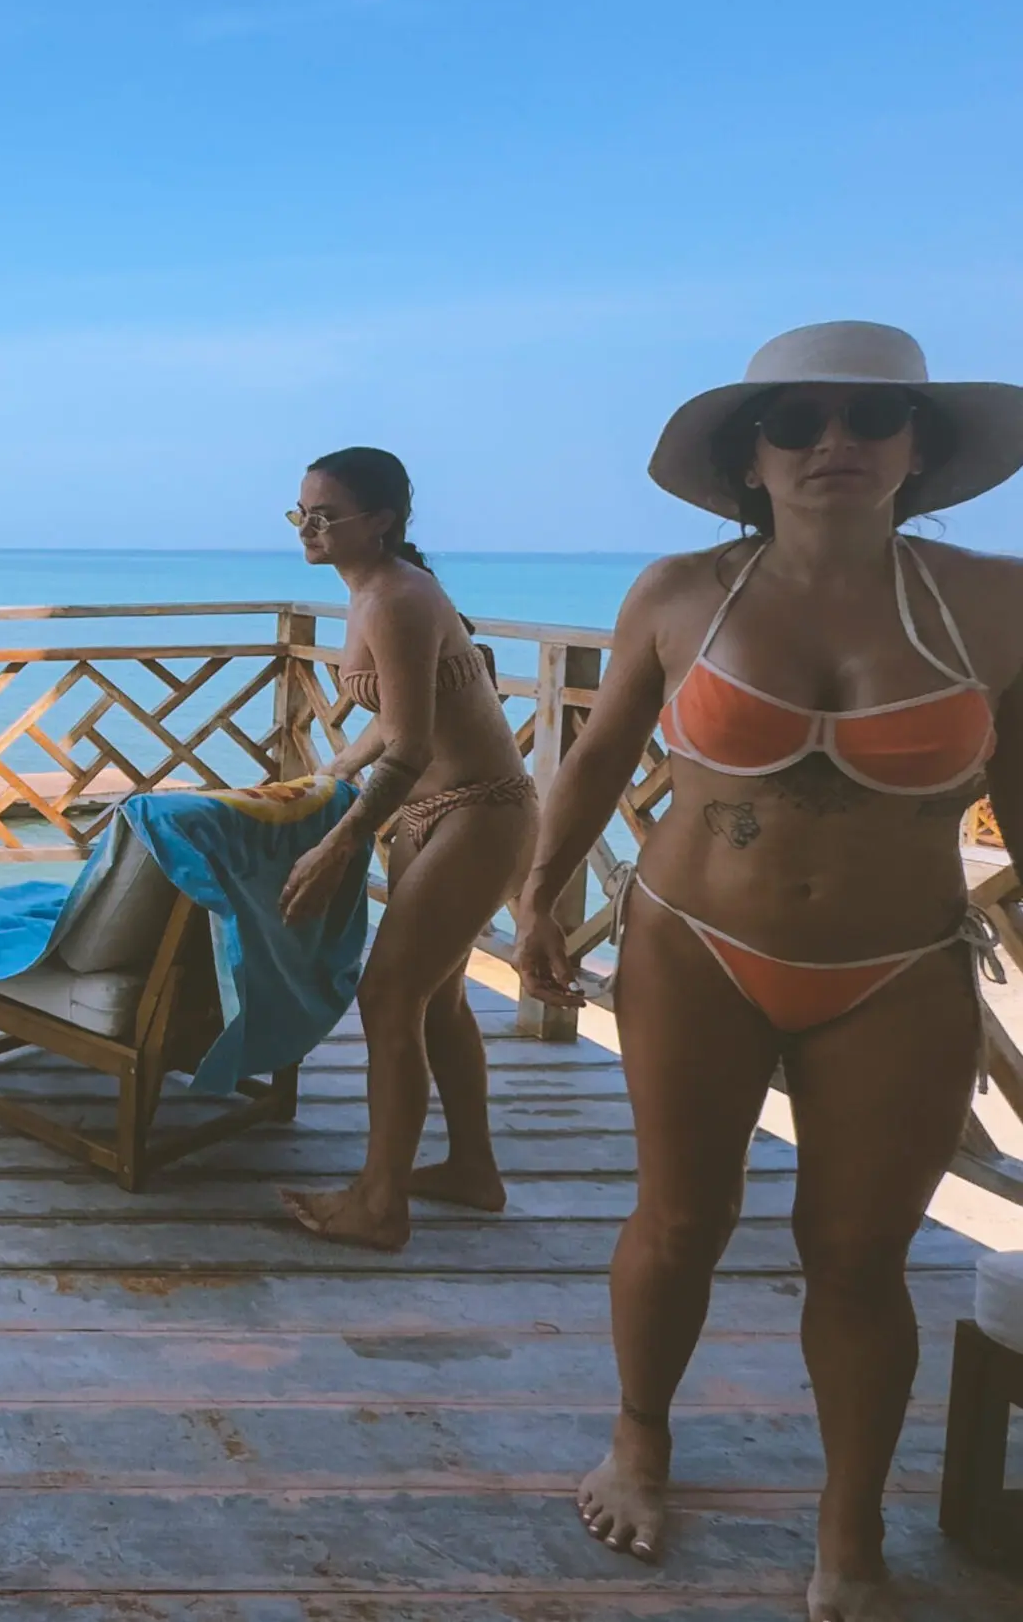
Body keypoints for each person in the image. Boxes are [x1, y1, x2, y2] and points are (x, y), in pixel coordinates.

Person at [512, 322, 1023, 1622]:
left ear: (919, 447)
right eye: (794, 421)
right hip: (692, 943)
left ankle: (851, 1531)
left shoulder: (998, 602)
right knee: (680, 1218)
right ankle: (639, 1437)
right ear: (751, 457)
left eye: (869, 417)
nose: (832, 442)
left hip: (900, 966)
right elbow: (595, 754)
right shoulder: (680, 592)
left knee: (859, 1256)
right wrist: (539, 894)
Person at [275, 447, 537, 1249]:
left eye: (326, 515)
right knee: (439, 1000)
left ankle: (380, 1202)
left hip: (483, 811)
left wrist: (339, 843)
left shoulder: (397, 597)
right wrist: (325, 776)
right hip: (430, 815)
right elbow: (392, 723)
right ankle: (473, 1169)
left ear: (381, 521)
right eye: (301, 513)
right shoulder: (367, 593)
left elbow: (413, 746)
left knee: (390, 995)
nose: (308, 528)